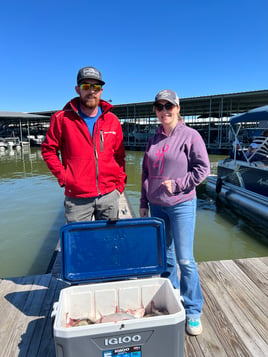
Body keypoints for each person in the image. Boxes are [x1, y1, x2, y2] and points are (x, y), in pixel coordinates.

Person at [139, 89, 210, 336]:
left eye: (168, 106)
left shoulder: (191, 136)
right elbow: (145, 173)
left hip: (181, 205)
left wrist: (179, 184)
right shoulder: (153, 139)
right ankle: (173, 296)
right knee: (165, 258)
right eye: (159, 107)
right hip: (157, 205)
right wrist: (143, 202)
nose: (164, 111)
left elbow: (203, 169)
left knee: (185, 260)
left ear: (178, 108)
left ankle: (193, 310)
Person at [41, 66, 127, 223]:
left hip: (109, 195)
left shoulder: (113, 120)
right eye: (86, 86)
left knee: (108, 243)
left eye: (96, 87)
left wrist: (119, 185)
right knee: (79, 244)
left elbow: (120, 156)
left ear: (101, 91)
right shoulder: (61, 119)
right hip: (77, 199)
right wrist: (64, 177)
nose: (92, 91)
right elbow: (48, 150)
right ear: (77, 89)